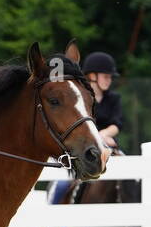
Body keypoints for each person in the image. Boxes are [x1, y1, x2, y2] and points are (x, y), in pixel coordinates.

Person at [47, 50, 124, 207]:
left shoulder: (114, 98)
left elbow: (117, 124)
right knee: (61, 185)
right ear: (92, 76)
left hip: (108, 145)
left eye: (110, 77)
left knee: (134, 177)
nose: (109, 80)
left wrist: (102, 135)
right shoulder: (82, 96)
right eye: (105, 76)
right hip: (83, 147)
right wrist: (95, 136)